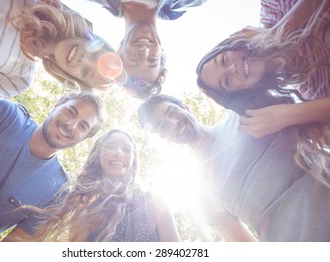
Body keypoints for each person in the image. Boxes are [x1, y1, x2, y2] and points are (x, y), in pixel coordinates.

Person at [138, 94, 330, 241]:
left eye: (172, 112)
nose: (173, 123)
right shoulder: (201, 194)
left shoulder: (242, 116)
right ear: (164, 138)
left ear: (185, 107)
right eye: (163, 127)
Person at [0, 91, 105, 241]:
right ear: (56, 105)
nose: (71, 124)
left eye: (83, 126)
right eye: (70, 111)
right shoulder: (4, 115)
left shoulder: (58, 192)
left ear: (84, 138)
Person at [196, 0, 330, 138]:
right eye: (227, 81)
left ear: (231, 45)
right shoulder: (312, 89)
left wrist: (276, 33)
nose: (232, 69)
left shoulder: (273, 3)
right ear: (243, 92)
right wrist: (285, 115)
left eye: (224, 60)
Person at [3, 129, 180, 242]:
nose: (119, 153)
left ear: (133, 161)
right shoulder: (85, 208)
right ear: (98, 155)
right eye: (111, 147)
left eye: (126, 149)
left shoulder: (155, 202)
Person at [67, 0, 218, 99]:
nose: (144, 50)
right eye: (153, 59)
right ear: (161, 52)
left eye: (133, 59)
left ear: (118, 52)